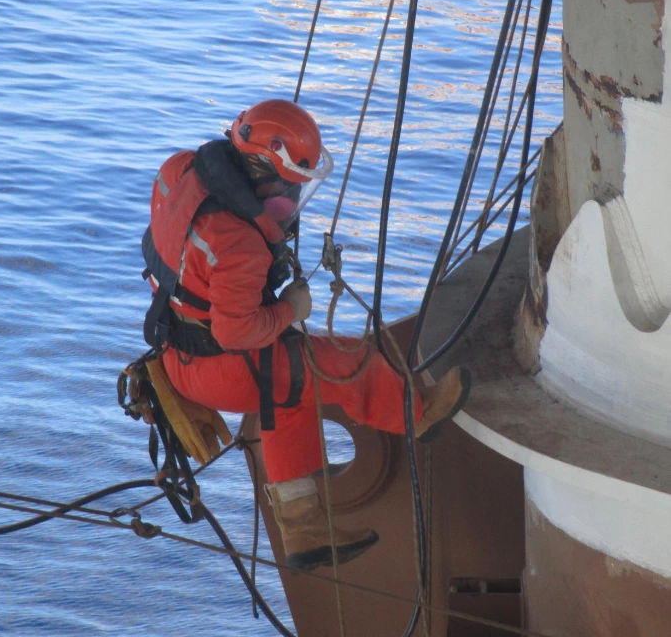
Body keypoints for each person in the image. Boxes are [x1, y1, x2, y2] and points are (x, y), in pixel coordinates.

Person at [141, 99, 471, 571]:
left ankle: (303, 528)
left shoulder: (178, 171)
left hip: (175, 356)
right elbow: (237, 332)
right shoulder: (239, 244)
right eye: (288, 186)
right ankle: (419, 413)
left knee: (289, 393)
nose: (290, 199)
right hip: (224, 369)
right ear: (259, 169)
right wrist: (290, 309)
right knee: (340, 363)